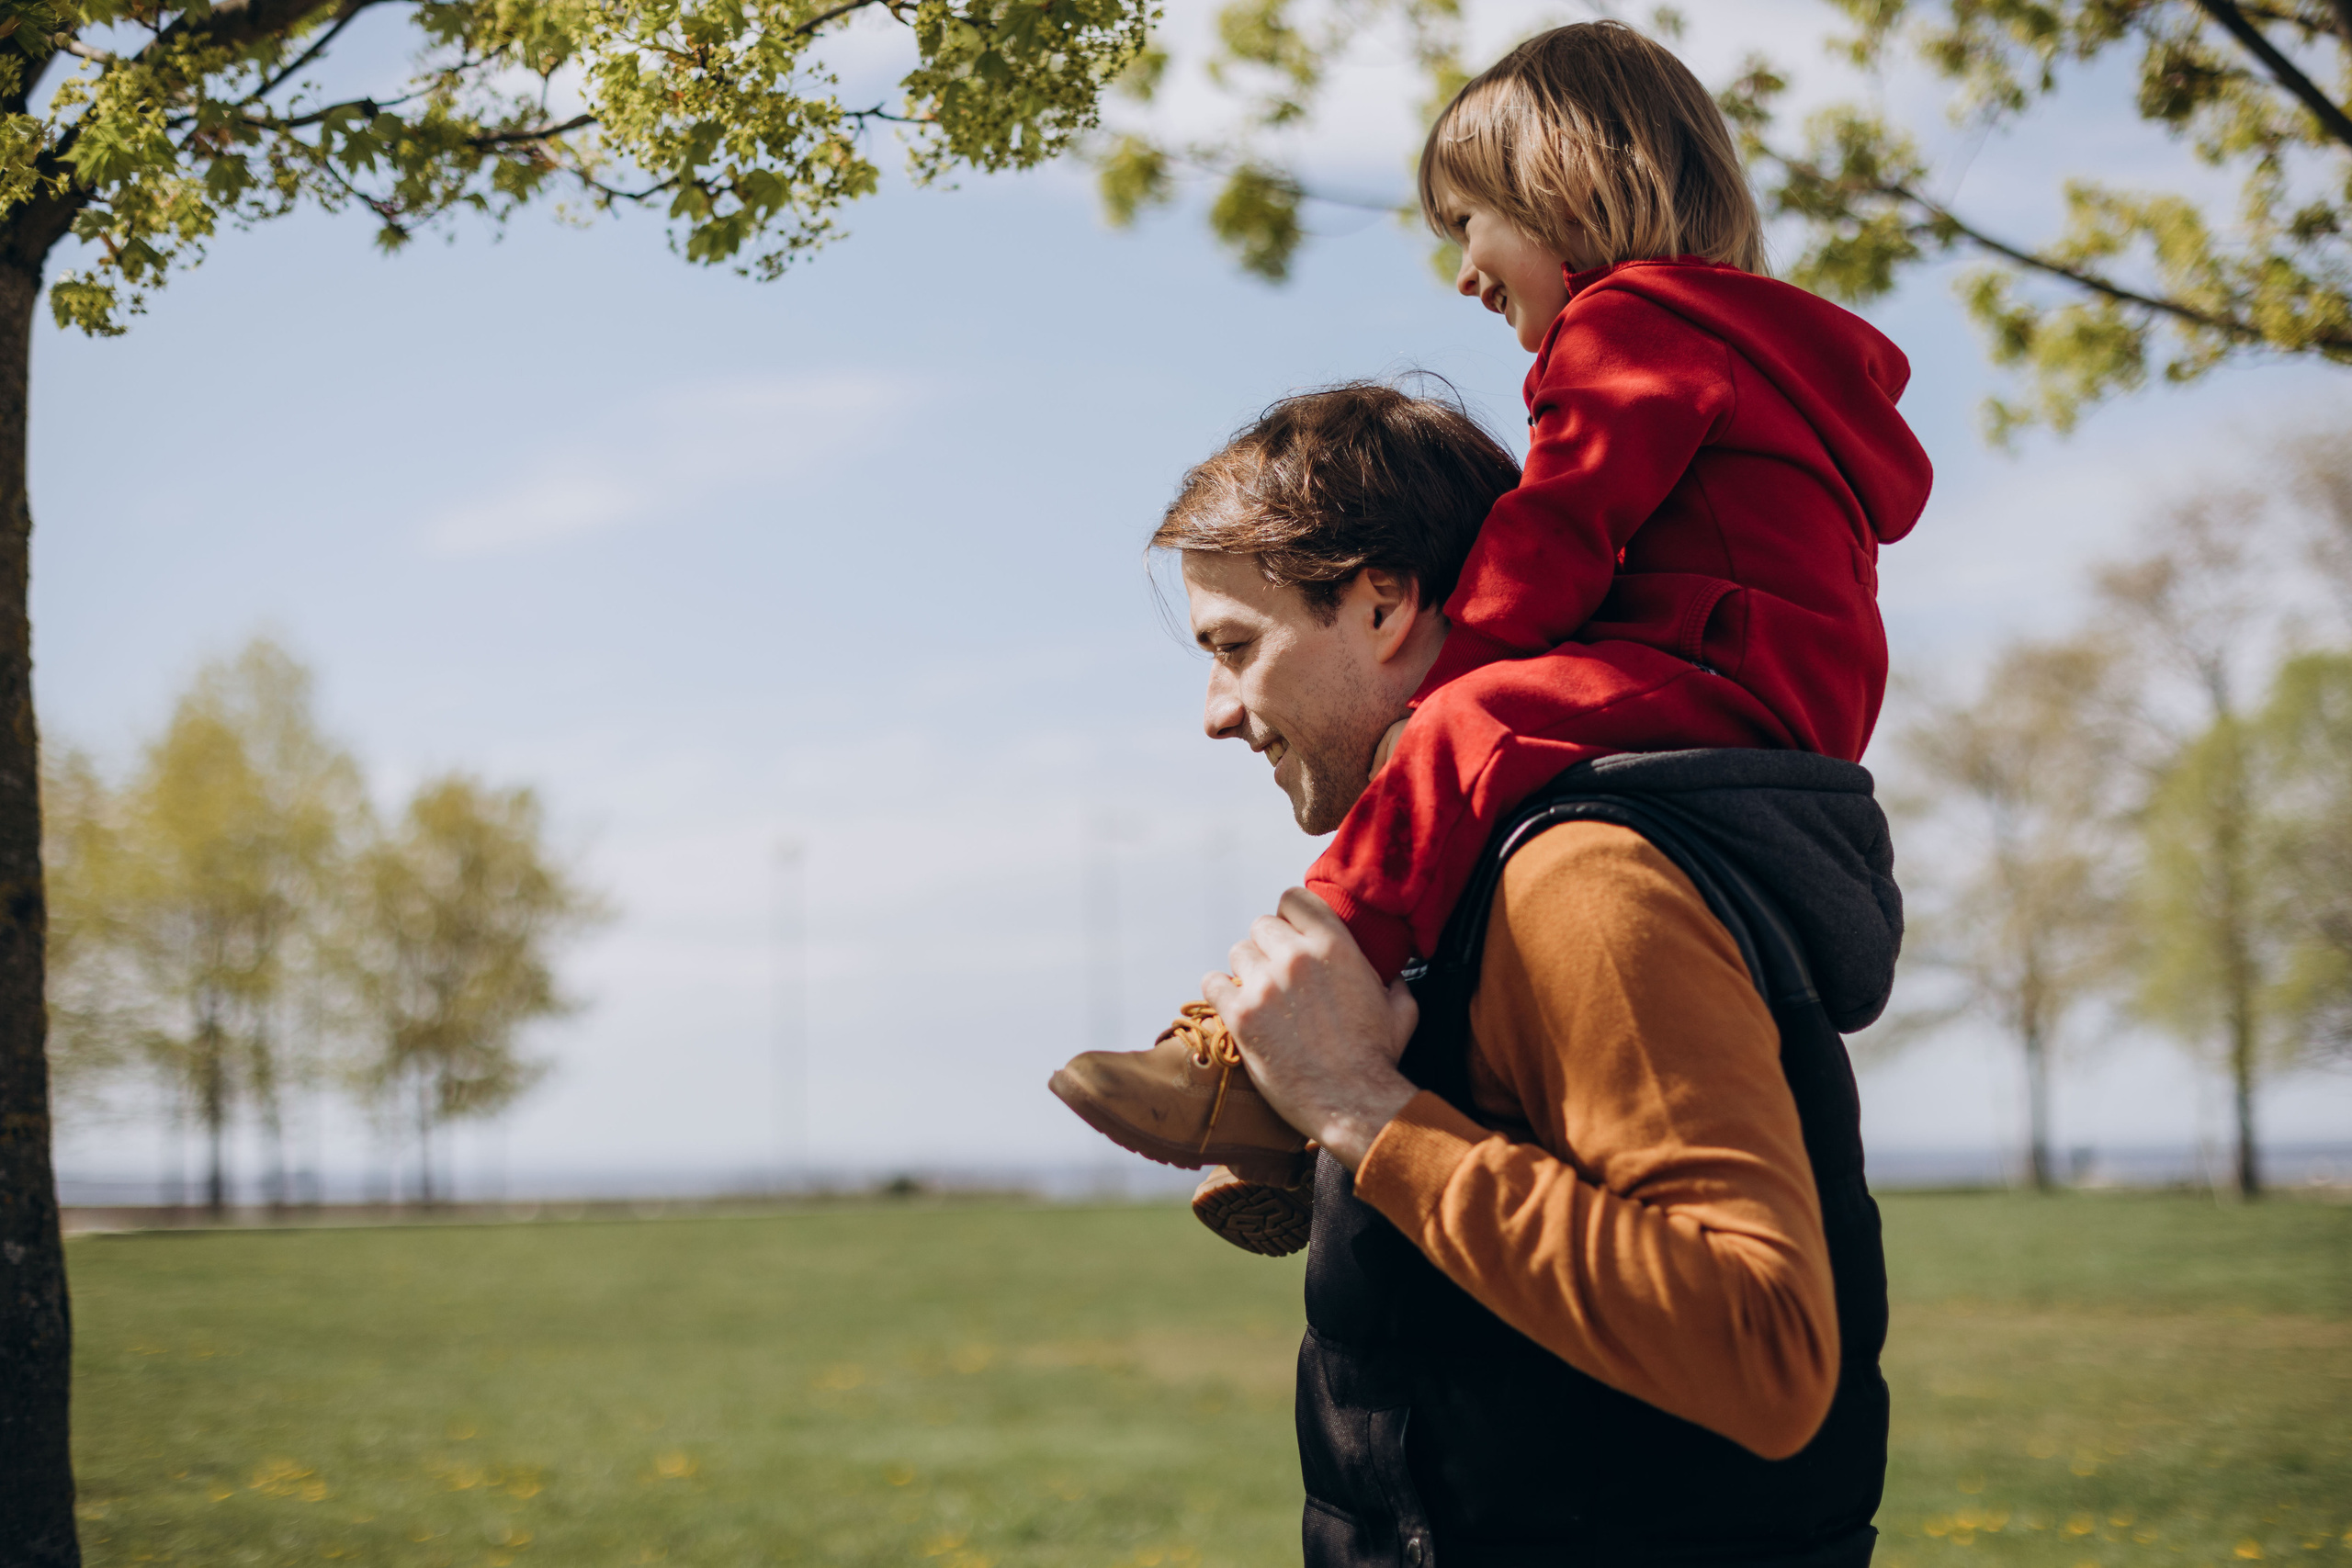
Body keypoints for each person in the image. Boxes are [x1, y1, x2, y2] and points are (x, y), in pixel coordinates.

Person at [1047, 20, 1931, 1199]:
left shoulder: (1630, 329)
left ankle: (1263, 1031)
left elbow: (1562, 525)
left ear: (1564, 190)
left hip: (1712, 667)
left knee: (1468, 737)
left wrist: (1463, 665)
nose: (1463, 272)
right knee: (1472, 789)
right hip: (1782, 692)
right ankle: (1293, 1099)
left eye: (1469, 225)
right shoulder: (1770, 358)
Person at [1117, 379, 1905, 1566]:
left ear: (1384, 600)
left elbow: (1767, 1344)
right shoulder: (1449, 881)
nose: (1217, 712)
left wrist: (1359, 1107)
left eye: (1238, 646)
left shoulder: (1579, 879)